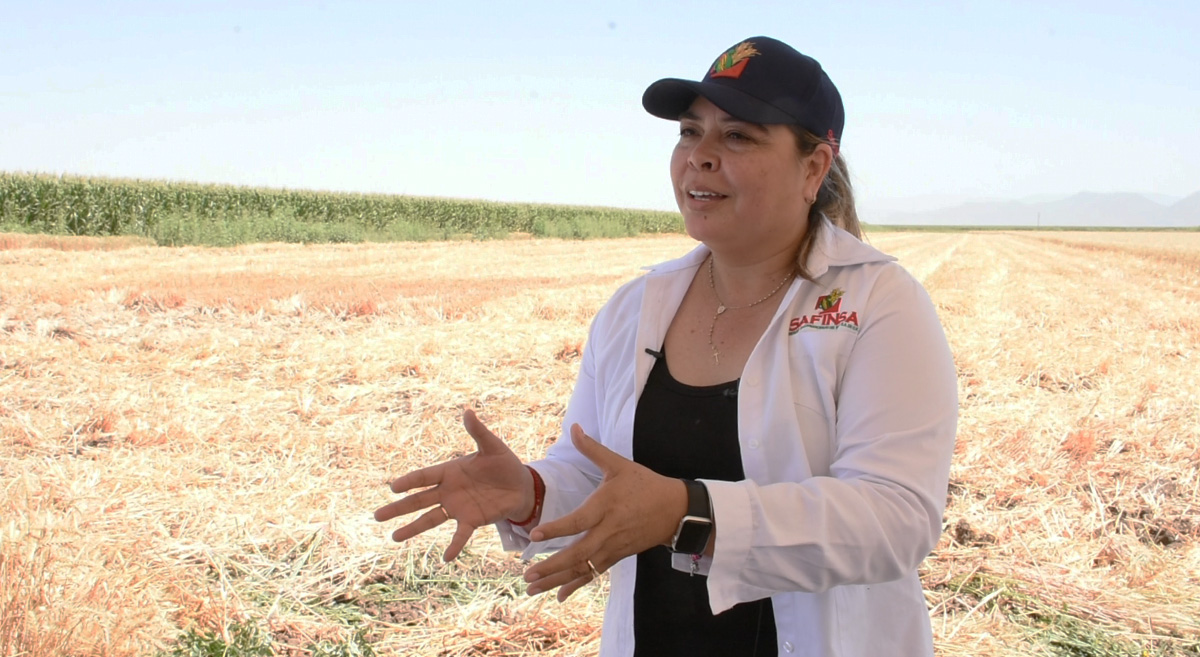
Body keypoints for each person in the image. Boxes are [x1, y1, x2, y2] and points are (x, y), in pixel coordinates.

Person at [375, 36, 957, 657]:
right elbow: (599, 475)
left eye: (738, 136)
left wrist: (691, 513)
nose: (699, 158)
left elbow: (895, 520)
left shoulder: (879, 305)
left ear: (813, 167)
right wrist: (530, 491)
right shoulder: (636, 307)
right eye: (688, 132)